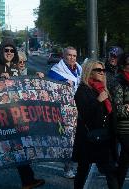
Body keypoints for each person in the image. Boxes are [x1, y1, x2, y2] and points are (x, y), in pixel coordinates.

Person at [0, 38, 45, 189]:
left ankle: (28, 180)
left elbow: (26, 83)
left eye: (12, 50)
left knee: (20, 146)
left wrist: (38, 77)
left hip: (15, 116)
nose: (9, 53)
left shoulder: (17, 68)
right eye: (6, 50)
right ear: (1, 51)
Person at [72, 59, 118, 189]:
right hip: (88, 138)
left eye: (103, 70)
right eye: (98, 70)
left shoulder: (103, 89)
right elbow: (85, 113)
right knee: (83, 171)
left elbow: (109, 113)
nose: (102, 73)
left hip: (104, 138)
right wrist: (98, 100)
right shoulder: (82, 90)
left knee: (110, 171)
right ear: (89, 72)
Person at [48, 46, 82, 178]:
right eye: (69, 55)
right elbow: (50, 85)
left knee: (79, 139)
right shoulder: (56, 70)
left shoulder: (79, 69)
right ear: (63, 56)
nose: (72, 58)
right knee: (68, 139)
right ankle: (68, 168)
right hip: (64, 110)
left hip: (79, 107)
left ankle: (78, 165)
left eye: (74, 55)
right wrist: (62, 82)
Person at [113, 54, 129, 188]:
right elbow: (117, 107)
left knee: (125, 159)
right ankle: (116, 184)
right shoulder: (119, 81)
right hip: (124, 127)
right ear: (123, 65)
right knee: (125, 159)